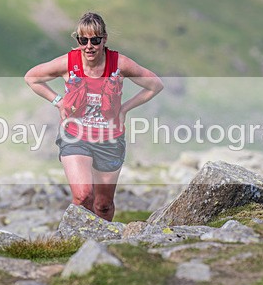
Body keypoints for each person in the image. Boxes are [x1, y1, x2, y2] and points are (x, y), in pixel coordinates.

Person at [24, 12, 164, 220]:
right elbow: (32, 78)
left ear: (104, 39)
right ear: (78, 40)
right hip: (75, 137)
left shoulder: (119, 64)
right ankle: (74, 241)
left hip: (110, 140)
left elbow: (155, 85)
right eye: (83, 40)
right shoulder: (68, 63)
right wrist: (58, 101)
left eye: (95, 40)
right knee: (83, 196)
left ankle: (101, 245)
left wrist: (125, 108)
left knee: (103, 205)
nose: (89, 46)